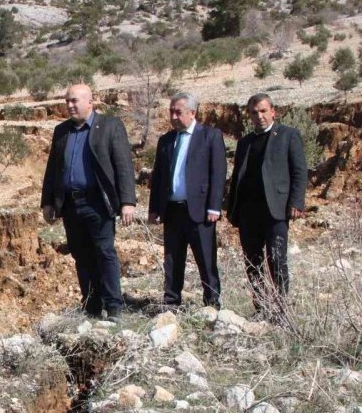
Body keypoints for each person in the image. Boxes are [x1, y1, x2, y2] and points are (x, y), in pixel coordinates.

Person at [41, 83, 136, 320]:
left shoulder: (110, 126)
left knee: (104, 253)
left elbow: (123, 165)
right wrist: (48, 201)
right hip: (71, 205)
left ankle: (114, 306)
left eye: (74, 101)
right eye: (67, 101)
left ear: (90, 102)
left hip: (98, 203)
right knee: (81, 255)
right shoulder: (61, 131)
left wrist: (127, 202)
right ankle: (92, 305)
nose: (70, 106)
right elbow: (53, 168)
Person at [227, 92, 307, 315]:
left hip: (276, 210)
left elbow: (299, 171)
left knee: (277, 259)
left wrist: (297, 202)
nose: (259, 116)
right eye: (254, 112)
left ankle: (281, 310)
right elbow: (237, 178)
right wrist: (231, 209)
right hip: (248, 213)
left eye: (263, 111)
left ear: (273, 111)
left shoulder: (288, 135)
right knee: (253, 263)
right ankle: (261, 308)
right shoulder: (245, 143)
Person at [148, 92, 226, 309]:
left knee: (206, 258)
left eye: (178, 112)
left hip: (200, 211)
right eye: (171, 111)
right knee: (172, 259)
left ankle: (212, 303)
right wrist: (154, 208)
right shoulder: (166, 140)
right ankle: (171, 302)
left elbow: (218, 173)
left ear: (193, 113)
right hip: (172, 210)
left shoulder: (210, 136)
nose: (173, 116)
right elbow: (159, 176)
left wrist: (214, 206)